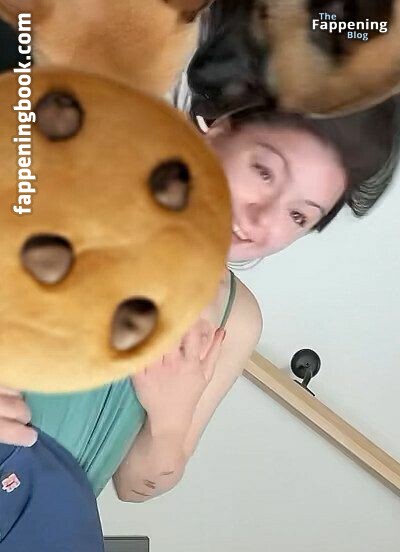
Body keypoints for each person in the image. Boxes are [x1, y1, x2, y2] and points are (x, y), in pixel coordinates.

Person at [1, 96, 399, 506]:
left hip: (38, 528)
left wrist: (171, 418)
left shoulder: (236, 318)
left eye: (298, 215)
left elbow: (135, 486)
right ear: (219, 129)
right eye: (264, 172)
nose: (262, 217)